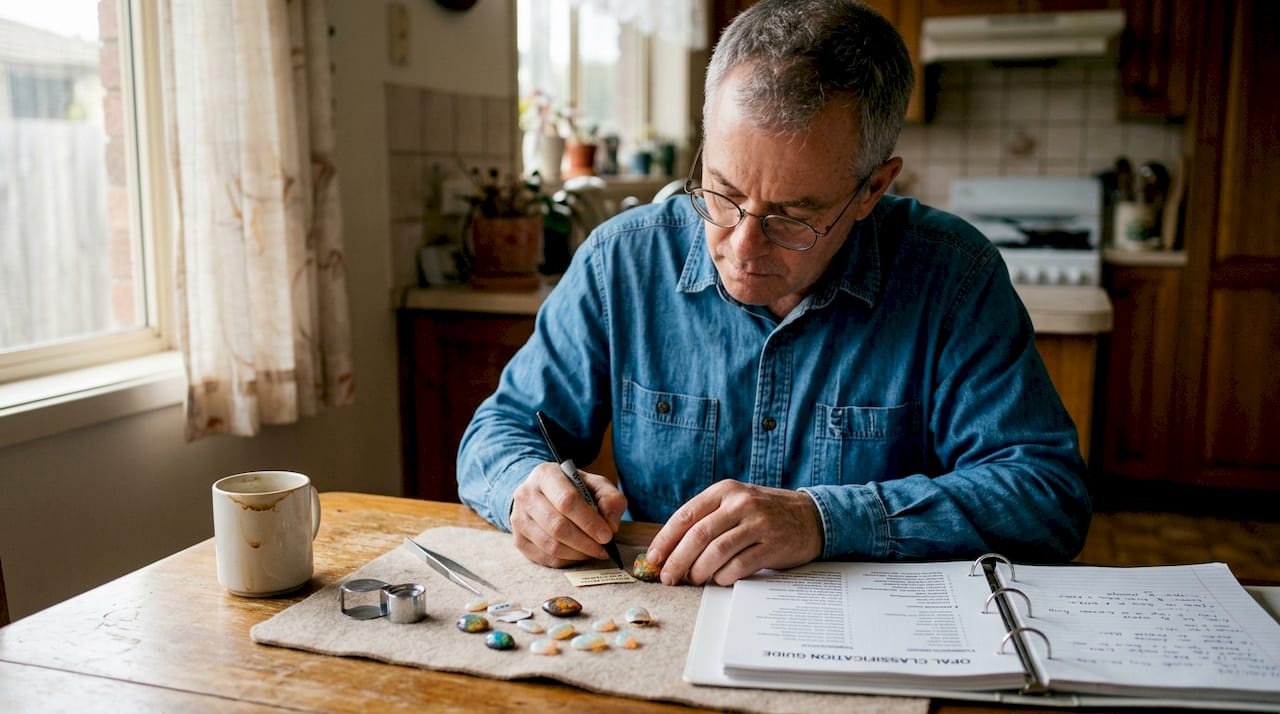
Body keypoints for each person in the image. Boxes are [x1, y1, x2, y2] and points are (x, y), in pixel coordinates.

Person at [457, 0, 1091, 587]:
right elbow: (502, 429)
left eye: (793, 216)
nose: (742, 246)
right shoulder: (620, 261)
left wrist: (823, 520)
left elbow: (1046, 496)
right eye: (722, 192)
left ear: (873, 189)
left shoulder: (953, 277)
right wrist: (525, 491)